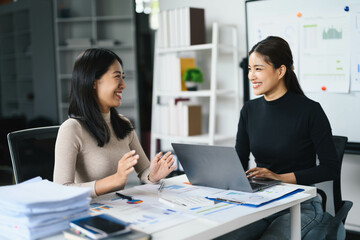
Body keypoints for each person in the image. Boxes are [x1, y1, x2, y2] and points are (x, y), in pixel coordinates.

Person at [219, 36, 339, 239]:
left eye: (258, 69)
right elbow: (238, 162)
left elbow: (330, 168)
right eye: (249, 69)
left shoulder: (310, 111)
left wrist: (280, 178)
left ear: (281, 70)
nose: (251, 76)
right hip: (261, 200)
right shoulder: (249, 110)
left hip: (301, 204)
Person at [54, 48, 176, 198]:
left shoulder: (123, 124)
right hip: (89, 212)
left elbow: (144, 170)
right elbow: (61, 189)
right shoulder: (72, 129)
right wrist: (115, 180)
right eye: (117, 77)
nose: (123, 85)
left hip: (119, 207)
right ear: (93, 82)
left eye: (123, 77)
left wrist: (154, 175)